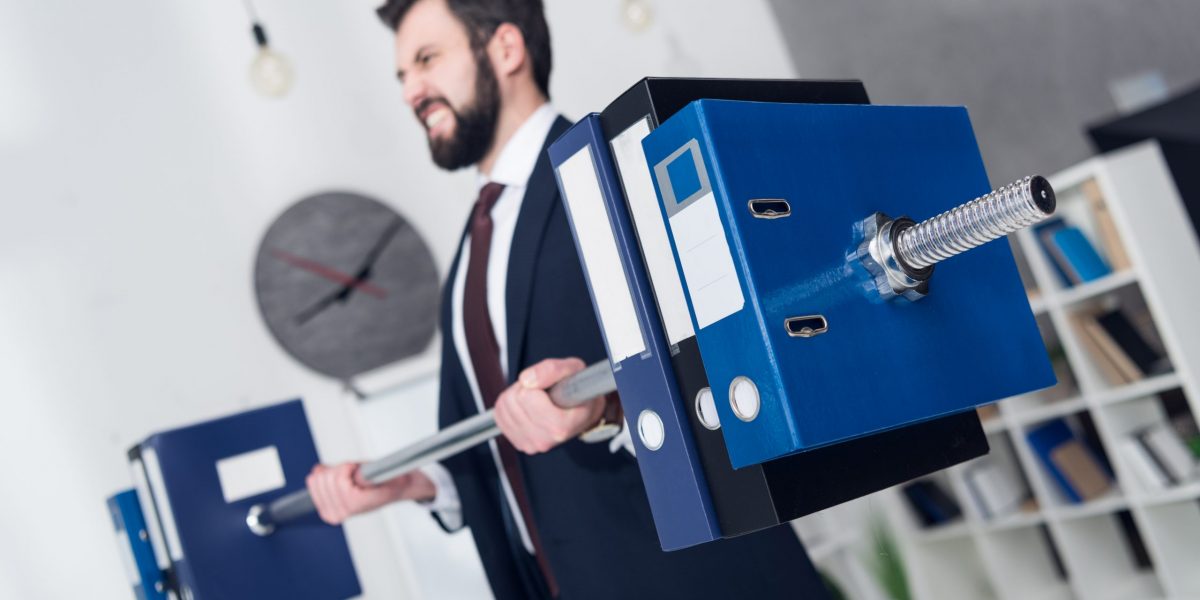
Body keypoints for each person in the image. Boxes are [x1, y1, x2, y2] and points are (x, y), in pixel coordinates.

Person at [306, 1, 829, 598]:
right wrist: (408, 485)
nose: (410, 92)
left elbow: (733, 368)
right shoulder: (468, 258)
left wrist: (606, 408)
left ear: (506, 49)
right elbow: (501, 450)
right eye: (402, 75)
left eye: (427, 60)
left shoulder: (625, 173)